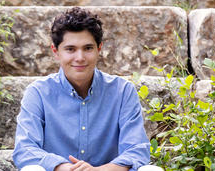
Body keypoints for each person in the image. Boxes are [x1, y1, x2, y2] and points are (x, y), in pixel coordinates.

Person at [13, 7, 152, 171]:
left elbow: (137, 150)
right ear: (56, 51)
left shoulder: (123, 91)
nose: (80, 58)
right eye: (70, 49)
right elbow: (24, 150)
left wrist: (98, 170)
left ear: (99, 49)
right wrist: (63, 167)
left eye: (88, 48)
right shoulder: (38, 93)